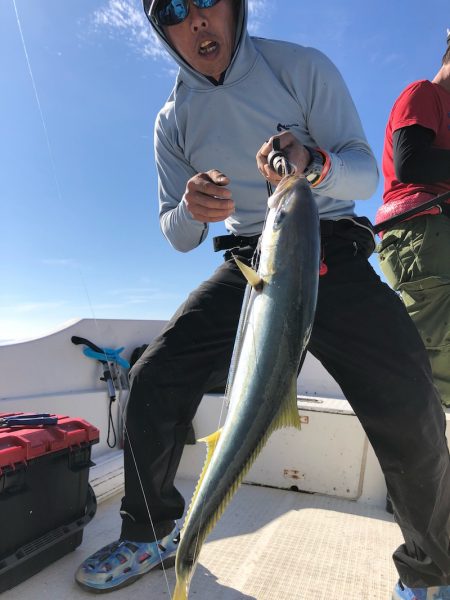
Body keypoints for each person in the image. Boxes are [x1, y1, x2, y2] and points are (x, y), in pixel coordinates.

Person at [75, 2, 450, 598]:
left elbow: (363, 172)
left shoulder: (300, 68)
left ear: (235, 8)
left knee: (412, 403)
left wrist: (314, 163)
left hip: (335, 253)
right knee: (153, 378)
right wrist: (192, 209)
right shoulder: (173, 120)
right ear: (160, 28)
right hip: (251, 264)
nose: (195, 18)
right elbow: (176, 233)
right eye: (173, 8)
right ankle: (150, 534)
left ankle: (430, 574)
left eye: (206, 0)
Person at [376, 30, 450, 410]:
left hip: (436, 233)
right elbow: (410, 163)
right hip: (422, 230)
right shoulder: (423, 93)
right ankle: (421, 462)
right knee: (436, 354)